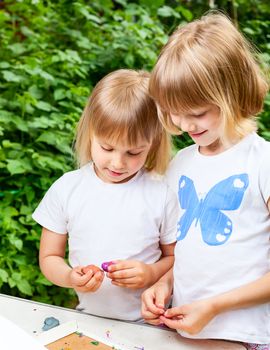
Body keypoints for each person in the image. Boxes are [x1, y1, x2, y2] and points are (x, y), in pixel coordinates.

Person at [141, 12, 270, 349]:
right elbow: (189, 248)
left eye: (196, 113)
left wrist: (214, 306)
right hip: (188, 332)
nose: (184, 125)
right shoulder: (182, 164)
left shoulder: (263, 163)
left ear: (232, 93)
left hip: (243, 335)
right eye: (173, 112)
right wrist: (164, 284)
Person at [32, 69, 179, 322]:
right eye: (107, 147)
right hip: (88, 321)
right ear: (90, 134)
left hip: (150, 326)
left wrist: (151, 272)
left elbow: (177, 257)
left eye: (133, 152)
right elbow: (49, 257)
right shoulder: (68, 188)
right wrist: (70, 277)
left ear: (152, 144)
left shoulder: (162, 192)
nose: (118, 162)